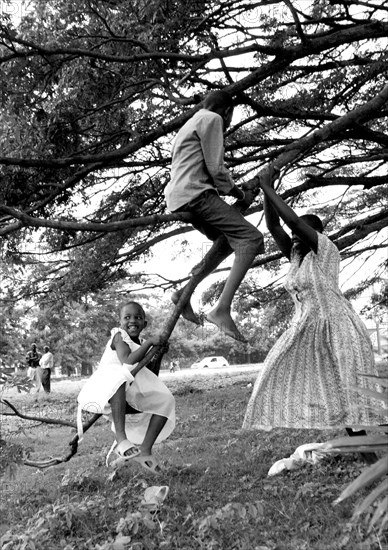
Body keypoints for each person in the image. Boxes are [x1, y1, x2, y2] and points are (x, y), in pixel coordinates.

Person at [243, 168, 385, 433]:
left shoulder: (326, 250)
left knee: (353, 390)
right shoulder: (297, 257)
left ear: (318, 233)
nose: (295, 237)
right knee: (324, 387)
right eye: (296, 235)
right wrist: (266, 188)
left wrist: (270, 189)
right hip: (310, 329)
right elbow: (274, 226)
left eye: (302, 232)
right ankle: (362, 449)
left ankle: (369, 448)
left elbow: (294, 224)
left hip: (340, 328)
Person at [164, 90, 264, 342]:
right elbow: (216, 169)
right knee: (252, 239)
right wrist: (239, 193)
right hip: (196, 194)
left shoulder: (189, 124)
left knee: (225, 242)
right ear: (228, 111)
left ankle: (183, 294)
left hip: (179, 198)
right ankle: (222, 309)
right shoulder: (213, 119)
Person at [77, 301, 175, 474]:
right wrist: (150, 343)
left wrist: (157, 354)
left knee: (166, 399)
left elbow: (150, 376)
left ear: (144, 323)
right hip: (106, 388)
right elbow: (127, 361)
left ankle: (145, 450)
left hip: (128, 391)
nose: (132, 321)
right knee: (119, 379)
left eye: (138, 317)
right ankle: (121, 438)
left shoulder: (142, 343)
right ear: (120, 322)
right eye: (127, 317)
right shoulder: (118, 335)